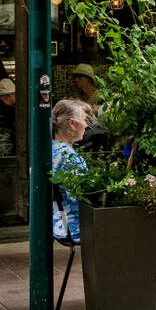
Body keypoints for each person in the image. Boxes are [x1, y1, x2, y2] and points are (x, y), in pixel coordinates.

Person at [51, 99, 92, 243]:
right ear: (72, 123)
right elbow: (83, 195)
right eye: (84, 120)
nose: (86, 125)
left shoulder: (52, 148)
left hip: (56, 221)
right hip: (73, 226)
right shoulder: (69, 157)